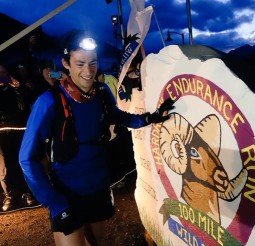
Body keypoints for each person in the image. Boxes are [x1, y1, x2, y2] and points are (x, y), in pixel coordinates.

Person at [19, 29, 174, 245]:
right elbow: (27, 158)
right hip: (66, 195)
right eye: (80, 63)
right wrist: (55, 203)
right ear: (66, 64)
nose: (88, 71)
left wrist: (151, 117)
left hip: (99, 188)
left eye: (93, 62)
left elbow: (118, 116)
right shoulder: (49, 101)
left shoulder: (101, 92)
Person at [0, 64, 37, 212]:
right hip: (1, 132)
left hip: (19, 129)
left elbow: (23, 106)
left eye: (3, 72)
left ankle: (28, 192)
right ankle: (10, 196)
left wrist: (17, 88)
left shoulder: (15, 88)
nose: (1, 75)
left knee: (24, 161)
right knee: (4, 166)